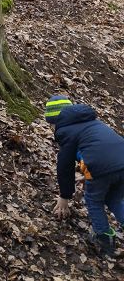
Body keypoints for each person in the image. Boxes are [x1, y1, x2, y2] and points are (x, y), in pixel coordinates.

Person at [46, 94, 124, 256]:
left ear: (56, 120)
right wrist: (88, 174)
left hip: (101, 167)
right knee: (114, 199)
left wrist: (64, 196)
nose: (53, 129)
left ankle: (104, 239)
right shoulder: (92, 122)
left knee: (94, 200)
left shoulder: (65, 131)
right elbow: (98, 149)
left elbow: (65, 165)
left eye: (51, 125)